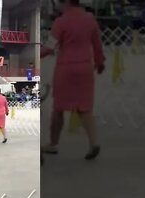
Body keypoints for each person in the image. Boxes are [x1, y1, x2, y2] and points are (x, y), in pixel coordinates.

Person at [41, 0, 105, 160]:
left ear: (66, 2)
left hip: (66, 69)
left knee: (58, 108)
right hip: (85, 68)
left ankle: (53, 144)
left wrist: (32, 55)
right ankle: (94, 142)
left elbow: (50, 47)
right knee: (85, 108)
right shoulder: (90, 19)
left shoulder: (61, 22)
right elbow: (97, 45)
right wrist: (99, 62)